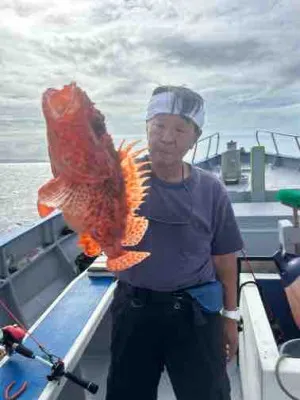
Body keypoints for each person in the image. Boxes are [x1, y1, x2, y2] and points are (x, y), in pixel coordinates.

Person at [105, 85, 244, 400]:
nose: (167, 137)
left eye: (180, 129)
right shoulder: (118, 181)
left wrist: (230, 317)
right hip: (133, 310)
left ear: (195, 138)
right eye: (159, 126)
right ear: (147, 128)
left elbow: (224, 260)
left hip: (194, 314)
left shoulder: (211, 190)